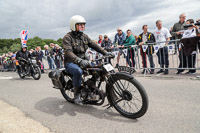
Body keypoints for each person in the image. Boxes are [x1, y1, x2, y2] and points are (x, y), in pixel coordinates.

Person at [63, 15, 113, 105]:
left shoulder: (84, 36)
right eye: (80, 24)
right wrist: (79, 60)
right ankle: (77, 95)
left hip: (84, 61)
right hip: (71, 62)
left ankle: (91, 87)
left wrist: (105, 53)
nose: (83, 26)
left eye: (83, 24)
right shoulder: (68, 37)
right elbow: (68, 52)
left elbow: (94, 45)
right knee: (78, 71)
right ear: (74, 25)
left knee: (99, 69)